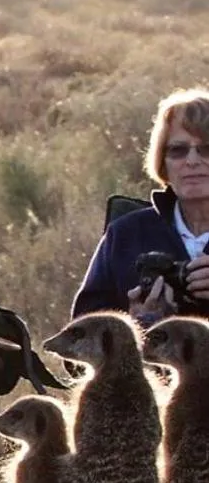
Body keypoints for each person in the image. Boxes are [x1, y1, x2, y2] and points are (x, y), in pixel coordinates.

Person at [73, 87, 209, 321]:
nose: (192, 161)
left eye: (207, 149)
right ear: (163, 162)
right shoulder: (126, 235)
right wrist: (134, 326)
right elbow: (80, 339)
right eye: (178, 150)